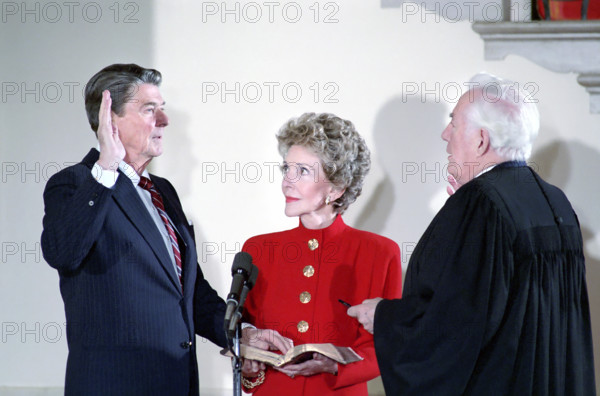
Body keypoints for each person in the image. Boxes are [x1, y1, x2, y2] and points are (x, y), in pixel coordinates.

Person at [40, 64, 288, 396]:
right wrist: (106, 168)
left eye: (162, 109)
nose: (164, 121)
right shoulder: (77, 183)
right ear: (109, 118)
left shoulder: (162, 191)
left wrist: (239, 333)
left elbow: (189, 292)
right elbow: (62, 252)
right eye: (149, 109)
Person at [348, 73, 597, 395]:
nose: (445, 134)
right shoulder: (553, 200)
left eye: (454, 123)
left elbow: (456, 324)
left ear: (480, 140)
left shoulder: (482, 204)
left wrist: (382, 317)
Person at [239, 113, 403, 395]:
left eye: (302, 171)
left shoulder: (380, 253)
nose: (287, 182)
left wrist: (335, 365)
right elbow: (246, 336)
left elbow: (388, 345)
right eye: (286, 169)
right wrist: (248, 360)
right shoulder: (257, 250)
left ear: (336, 187)